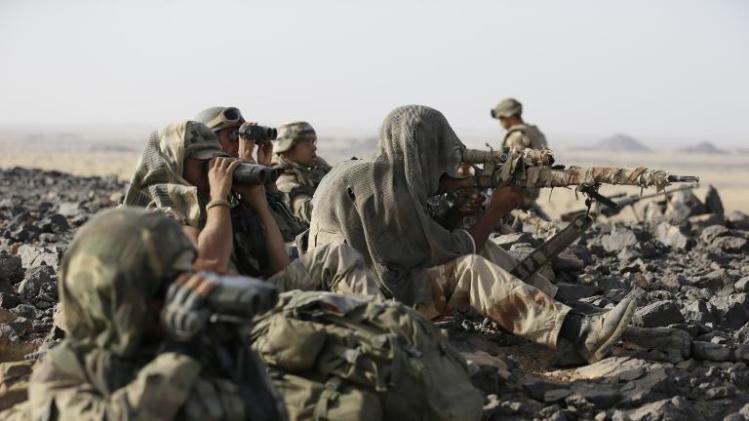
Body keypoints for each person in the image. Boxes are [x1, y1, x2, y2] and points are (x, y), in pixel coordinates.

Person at [308, 105, 636, 364]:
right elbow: (449, 254)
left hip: (359, 287)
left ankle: (557, 306)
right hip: (359, 308)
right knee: (471, 268)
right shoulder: (382, 190)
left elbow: (420, 240)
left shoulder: (378, 176)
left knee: (485, 250)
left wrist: (456, 213)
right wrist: (493, 211)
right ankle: (576, 332)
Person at [26, 208, 287, 420]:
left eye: (183, 276)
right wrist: (180, 354)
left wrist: (233, 347)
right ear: (112, 298)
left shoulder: (198, 345)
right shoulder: (66, 371)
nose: (176, 296)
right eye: (162, 288)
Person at [123, 120, 379, 297]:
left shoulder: (216, 199)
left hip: (256, 291)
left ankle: (375, 321)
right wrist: (219, 198)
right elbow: (211, 264)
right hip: (223, 308)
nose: (210, 170)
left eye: (214, 161)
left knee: (336, 256)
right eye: (202, 164)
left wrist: (258, 204)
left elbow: (280, 268)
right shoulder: (161, 213)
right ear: (174, 164)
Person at [194, 106, 305, 242]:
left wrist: (266, 179)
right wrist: (245, 157)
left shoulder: (236, 182)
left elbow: (290, 232)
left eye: (241, 135)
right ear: (209, 140)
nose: (239, 142)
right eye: (233, 135)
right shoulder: (203, 189)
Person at [491, 97, 549, 217]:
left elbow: (510, 169)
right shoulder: (533, 131)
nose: (501, 122)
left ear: (511, 116)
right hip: (532, 190)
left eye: (502, 118)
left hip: (518, 194)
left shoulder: (516, 135)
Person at [272, 121, 331, 225]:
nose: (314, 147)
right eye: (307, 143)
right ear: (288, 148)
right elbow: (308, 211)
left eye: (313, 142)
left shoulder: (318, 168)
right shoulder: (284, 180)